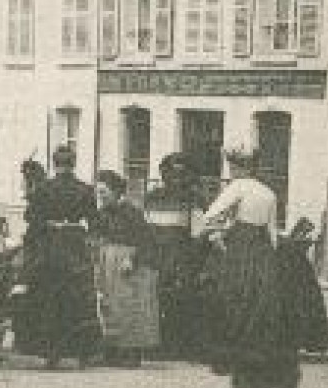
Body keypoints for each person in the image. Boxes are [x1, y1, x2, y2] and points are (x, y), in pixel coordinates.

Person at [196, 147, 288, 378]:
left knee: (231, 297)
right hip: (262, 248)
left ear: (236, 167)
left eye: (233, 167)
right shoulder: (268, 192)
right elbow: (272, 232)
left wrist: (219, 233)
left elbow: (209, 216)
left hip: (240, 245)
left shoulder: (237, 187)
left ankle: (228, 358)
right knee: (258, 301)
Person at [18, 144, 102, 369]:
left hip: (51, 247)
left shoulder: (44, 189)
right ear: (73, 164)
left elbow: (32, 220)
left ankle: (52, 353)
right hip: (75, 246)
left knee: (51, 299)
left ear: (55, 165)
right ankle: (83, 353)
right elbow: (95, 222)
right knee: (79, 300)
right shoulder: (85, 190)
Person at [91, 169, 160, 366]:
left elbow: (145, 239)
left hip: (127, 262)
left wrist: (132, 259)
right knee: (110, 306)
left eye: (104, 193)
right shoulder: (103, 212)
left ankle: (131, 354)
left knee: (129, 306)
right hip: (108, 261)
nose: (101, 197)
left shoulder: (132, 212)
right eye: (98, 193)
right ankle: (112, 350)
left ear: (115, 192)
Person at [142, 153, 205, 359]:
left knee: (166, 299)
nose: (176, 179)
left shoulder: (155, 197)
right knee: (170, 299)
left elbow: (196, 232)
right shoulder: (192, 198)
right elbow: (197, 233)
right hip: (171, 255)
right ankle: (171, 345)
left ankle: (167, 345)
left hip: (168, 255)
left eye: (180, 174)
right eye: (173, 174)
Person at [277, 218, 328, 354]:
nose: (306, 235)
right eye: (305, 232)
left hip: (298, 277)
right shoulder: (292, 249)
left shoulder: (288, 248)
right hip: (299, 277)